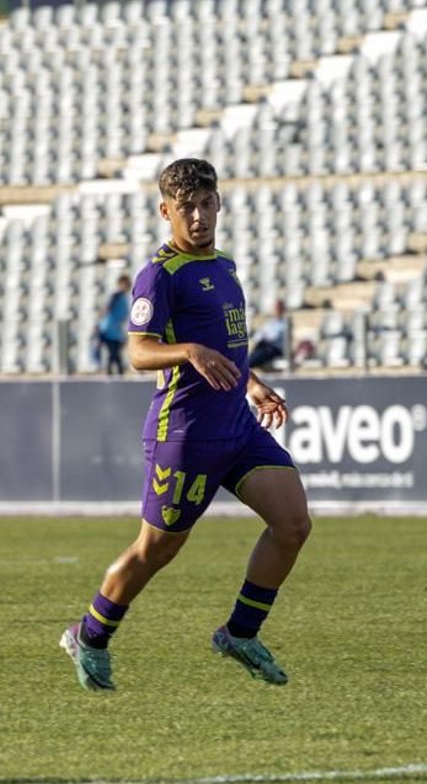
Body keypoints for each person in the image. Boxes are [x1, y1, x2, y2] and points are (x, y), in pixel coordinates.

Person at [60, 158, 310, 692]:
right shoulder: (160, 275)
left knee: (292, 524)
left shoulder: (225, 267)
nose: (198, 216)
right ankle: (90, 634)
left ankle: (240, 633)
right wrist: (189, 350)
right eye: (186, 207)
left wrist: (252, 383)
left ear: (219, 204)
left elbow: (226, 349)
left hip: (237, 428)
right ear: (165, 211)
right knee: (157, 549)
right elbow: (138, 352)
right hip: (186, 434)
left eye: (205, 204)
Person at [97, 275, 132, 375]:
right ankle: (113, 372)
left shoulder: (123, 297)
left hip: (116, 330)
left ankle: (117, 372)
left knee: (115, 352)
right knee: (114, 352)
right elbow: (106, 308)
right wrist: (98, 323)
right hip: (109, 329)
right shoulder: (116, 295)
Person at [249, 300, 289, 371]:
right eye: (276, 308)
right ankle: (246, 364)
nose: (277, 310)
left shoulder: (285, 323)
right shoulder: (270, 323)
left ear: (283, 309)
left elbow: (276, 337)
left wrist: (265, 337)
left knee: (262, 353)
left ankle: (246, 365)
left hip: (275, 349)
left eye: (278, 307)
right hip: (264, 346)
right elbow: (258, 335)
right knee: (257, 349)